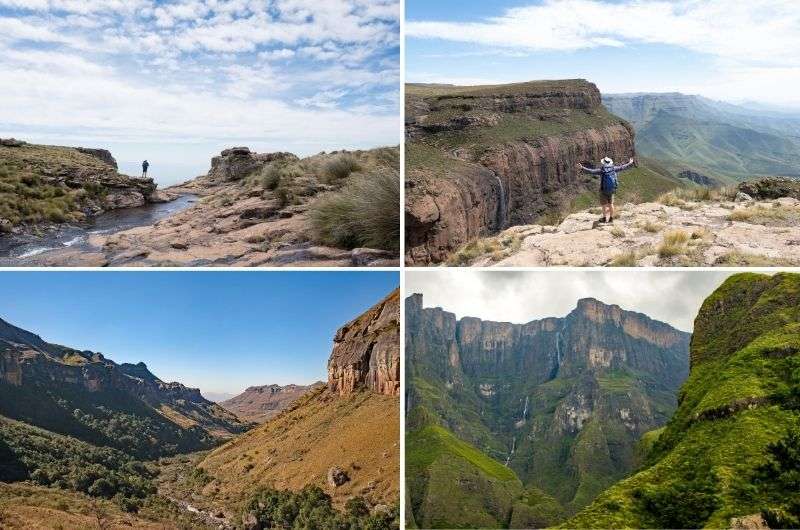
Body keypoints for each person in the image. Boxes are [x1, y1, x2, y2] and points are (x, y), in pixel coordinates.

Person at [577, 156, 634, 224]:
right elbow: (622, 167)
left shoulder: (602, 170)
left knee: (604, 205)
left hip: (603, 190)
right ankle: (611, 218)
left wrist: (582, 168)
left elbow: (591, 171)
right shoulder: (613, 168)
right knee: (611, 204)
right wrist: (629, 163)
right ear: (610, 162)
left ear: (603, 163)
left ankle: (604, 218)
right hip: (612, 190)